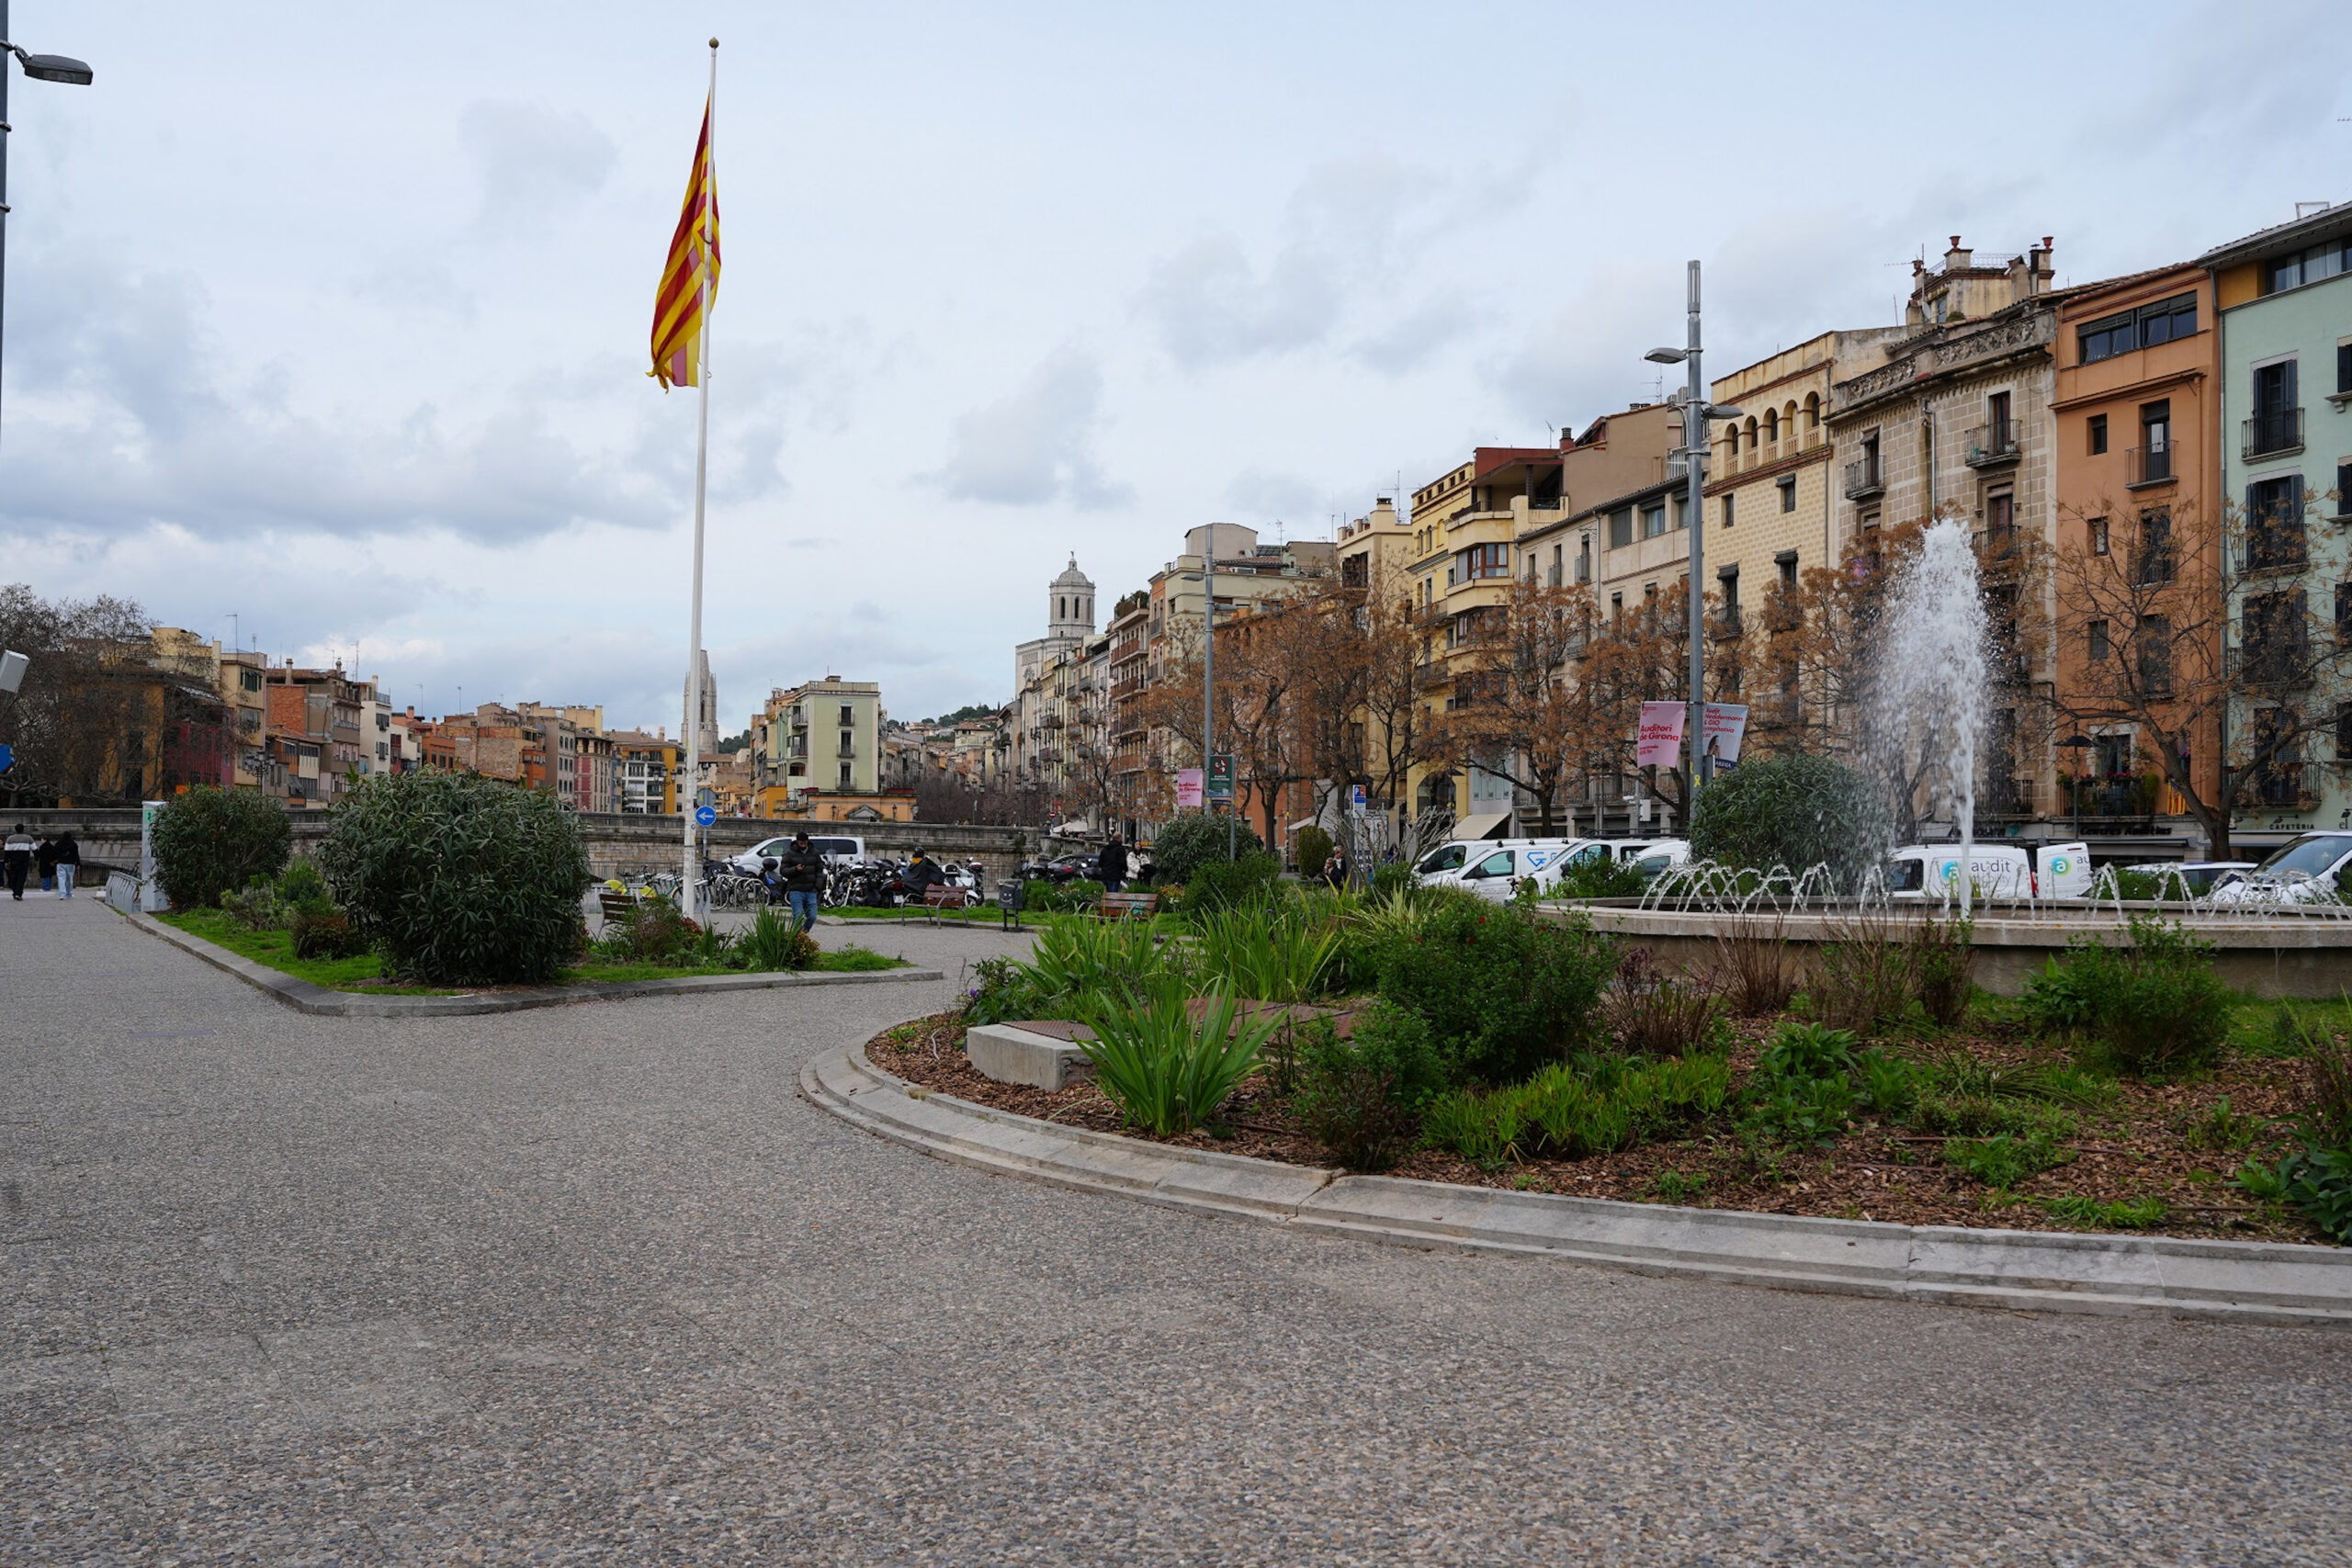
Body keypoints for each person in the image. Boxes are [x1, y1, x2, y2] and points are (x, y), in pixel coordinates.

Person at [775, 832, 825, 932]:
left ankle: (803, 933)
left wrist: (817, 887)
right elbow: (783, 871)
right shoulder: (789, 854)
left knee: (812, 916)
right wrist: (795, 869)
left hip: (811, 890)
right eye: (801, 842)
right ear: (797, 841)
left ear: (807, 841)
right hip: (796, 890)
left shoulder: (814, 853)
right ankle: (797, 936)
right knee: (798, 916)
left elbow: (820, 871)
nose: (803, 844)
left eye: (804, 842)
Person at [3, 825, 33, 901]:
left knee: (14, 877)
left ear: (15, 829)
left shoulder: (10, 838)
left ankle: (15, 892)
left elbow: (6, 851)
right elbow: (34, 848)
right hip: (24, 861)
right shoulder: (28, 838)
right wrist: (37, 857)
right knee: (21, 877)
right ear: (23, 829)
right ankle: (18, 893)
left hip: (13, 861)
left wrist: (6, 861)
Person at [50, 832, 78, 898]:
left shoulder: (58, 843)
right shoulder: (73, 844)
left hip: (61, 863)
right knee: (69, 879)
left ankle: (62, 894)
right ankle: (69, 893)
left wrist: (52, 860)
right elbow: (76, 855)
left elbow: (54, 853)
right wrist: (78, 863)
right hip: (71, 863)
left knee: (61, 879)